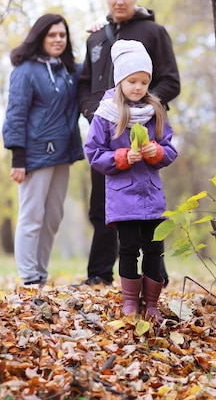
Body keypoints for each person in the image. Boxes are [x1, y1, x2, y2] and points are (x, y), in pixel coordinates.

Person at [77, 0, 180, 287]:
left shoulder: (154, 32)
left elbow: (171, 81)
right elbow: (83, 83)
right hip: (106, 130)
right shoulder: (96, 37)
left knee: (146, 204)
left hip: (143, 131)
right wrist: (91, 111)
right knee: (103, 204)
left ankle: (155, 273)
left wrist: (146, 107)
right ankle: (98, 273)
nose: (119, 0)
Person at [84, 40, 178, 320]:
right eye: (132, 81)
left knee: (154, 250)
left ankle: (151, 304)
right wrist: (122, 157)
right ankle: (129, 303)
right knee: (127, 250)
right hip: (123, 197)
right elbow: (94, 152)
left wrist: (157, 152)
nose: (138, 87)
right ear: (120, 80)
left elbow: (170, 149)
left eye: (144, 82)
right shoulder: (106, 114)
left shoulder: (155, 112)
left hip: (151, 196)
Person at [2, 14, 84, 286]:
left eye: (62, 35)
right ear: (40, 38)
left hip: (63, 153)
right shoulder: (25, 71)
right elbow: (15, 114)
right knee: (32, 216)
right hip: (35, 155)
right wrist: (18, 157)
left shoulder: (69, 70)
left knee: (53, 218)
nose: (58, 40)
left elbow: (100, 66)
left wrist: (100, 33)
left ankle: (40, 274)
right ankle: (28, 279)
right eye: (52, 35)